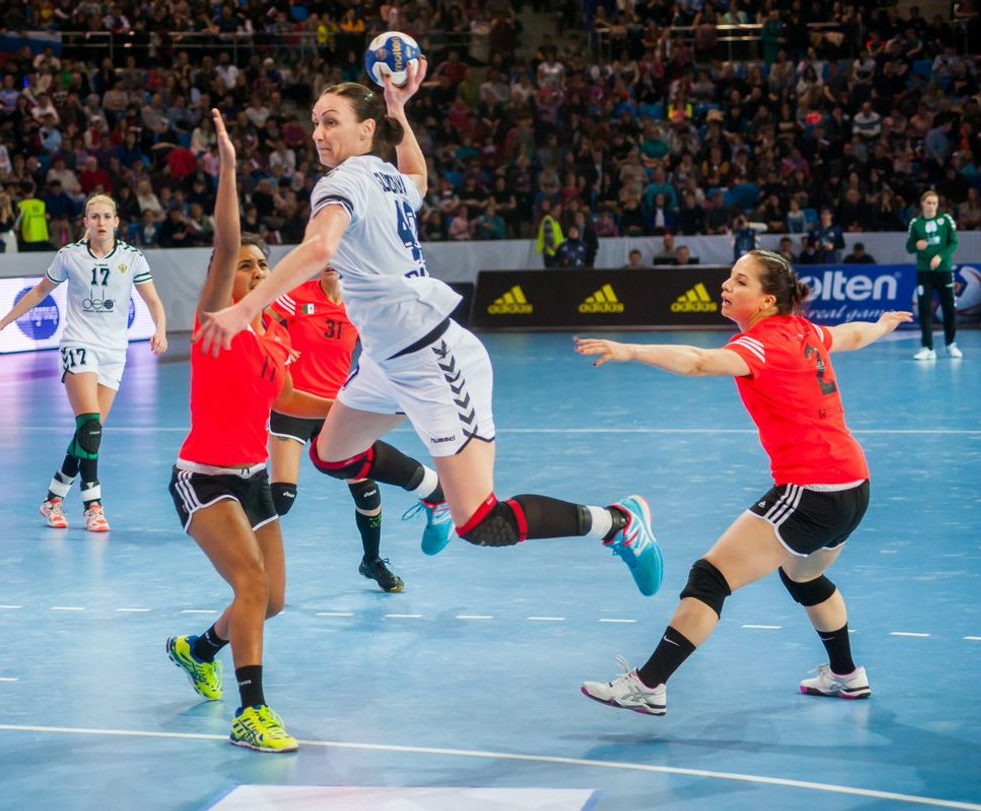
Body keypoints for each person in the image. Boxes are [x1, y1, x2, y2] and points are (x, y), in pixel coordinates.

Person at [196, 65, 661, 595]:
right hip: (384, 361)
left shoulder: (341, 182)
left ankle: (619, 524)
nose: (319, 133)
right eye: (315, 123)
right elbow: (417, 175)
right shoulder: (385, 178)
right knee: (329, 453)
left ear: (365, 131)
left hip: (434, 360)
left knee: (483, 523)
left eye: (331, 122)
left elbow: (320, 248)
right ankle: (431, 491)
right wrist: (399, 109)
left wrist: (242, 310)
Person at [576, 250, 912, 716]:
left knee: (711, 577)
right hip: (854, 485)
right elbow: (852, 335)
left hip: (811, 489)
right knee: (804, 575)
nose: (726, 287)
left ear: (766, 300)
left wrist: (629, 350)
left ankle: (648, 685)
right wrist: (883, 325)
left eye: (740, 281)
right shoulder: (805, 331)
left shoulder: (762, 343)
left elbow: (696, 361)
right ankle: (846, 676)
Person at [164, 110, 333, 754]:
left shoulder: (272, 336)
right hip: (202, 479)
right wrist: (229, 171)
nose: (258, 273)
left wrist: (364, 408)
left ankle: (196, 648)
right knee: (251, 585)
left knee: (274, 600)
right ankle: (251, 714)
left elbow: (289, 397)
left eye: (265, 268)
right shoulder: (216, 323)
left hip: (252, 476)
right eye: (248, 266)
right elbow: (227, 243)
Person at [0, 194, 168, 532]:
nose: (99, 222)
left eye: (106, 216)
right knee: (91, 427)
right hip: (79, 344)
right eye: (93, 216)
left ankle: (52, 499)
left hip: (114, 351)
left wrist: (161, 329)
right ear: (85, 222)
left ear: (116, 221)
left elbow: (152, 299)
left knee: (88, 435)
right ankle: (93, 506)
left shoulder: (132, 258)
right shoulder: (69, 256)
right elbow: (39, 292)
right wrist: (1, 324)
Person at [267, 267, 404, 593]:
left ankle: (372, 560)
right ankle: (246, 554)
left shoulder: (358, 304)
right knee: (282, 497)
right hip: (294, 405)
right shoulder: (297, 294)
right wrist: (280, 348)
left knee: (366, 488)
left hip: (336, 409)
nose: (334, 260)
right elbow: (261, 323)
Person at [906, 190, 960, 360]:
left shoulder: (945, 220)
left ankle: (951, 344)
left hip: (943, 271)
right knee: (924, 310)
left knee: (949, 309)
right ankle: (928, 348)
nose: (931, 206)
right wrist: (917, 245)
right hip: (924, 272)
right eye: (928, 202)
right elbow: (909, 247)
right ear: (922, 204)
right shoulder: (916, 223)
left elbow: (954, 243)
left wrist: (940, 256)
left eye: (934, 203)